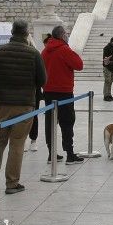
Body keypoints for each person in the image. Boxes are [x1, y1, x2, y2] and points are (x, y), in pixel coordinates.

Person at [0, 19, 46, 194]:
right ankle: (12, 183)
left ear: (12, 32)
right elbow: (42, 80)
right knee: (17, 144)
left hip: (1, 104)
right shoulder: (34, 53)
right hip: (24, 105)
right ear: (26, 33)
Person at [41, 24, 85, 163]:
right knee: (67, 122)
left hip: (48, 91)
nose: (68, 35)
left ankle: (51, 153)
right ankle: (70, 153)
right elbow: (79, 65)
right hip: (64, 92)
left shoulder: (45, 50)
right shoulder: (64, 49)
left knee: (50, 122)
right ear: (62, 35)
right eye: (66, 33)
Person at [102, 36, 113, 101]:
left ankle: (109, 94)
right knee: (107, 81)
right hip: (107, 67)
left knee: (110, 82)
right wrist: (108, 63)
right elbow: (105, 59)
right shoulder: (106, 48)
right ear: (111, 42)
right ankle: (106, 96)